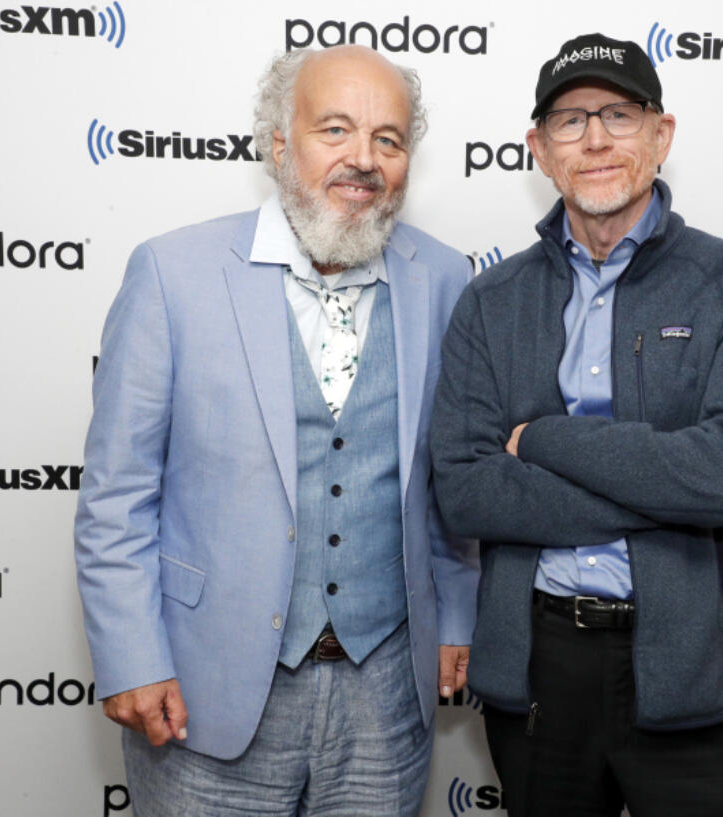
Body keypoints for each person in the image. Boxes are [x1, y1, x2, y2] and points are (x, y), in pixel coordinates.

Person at [75, 44, 478, 816]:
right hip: (203, 693)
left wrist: (456, 613)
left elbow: (446, 481)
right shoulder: (172, 272)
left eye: (388, 140)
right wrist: (131, 657)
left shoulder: (446, 278)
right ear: (279, 142)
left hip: (385, 700)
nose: (363, 159)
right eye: (336, 129)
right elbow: (116, 497)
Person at [430, 33, 723, 817]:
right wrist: (668, 486)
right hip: (538, 676)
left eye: (619, 114)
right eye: (569, 119)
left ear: (661, 135)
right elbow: (465, 491)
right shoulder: (490, 301)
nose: (595, 138)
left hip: (700, 675)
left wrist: (545, 442)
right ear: (539, 150)